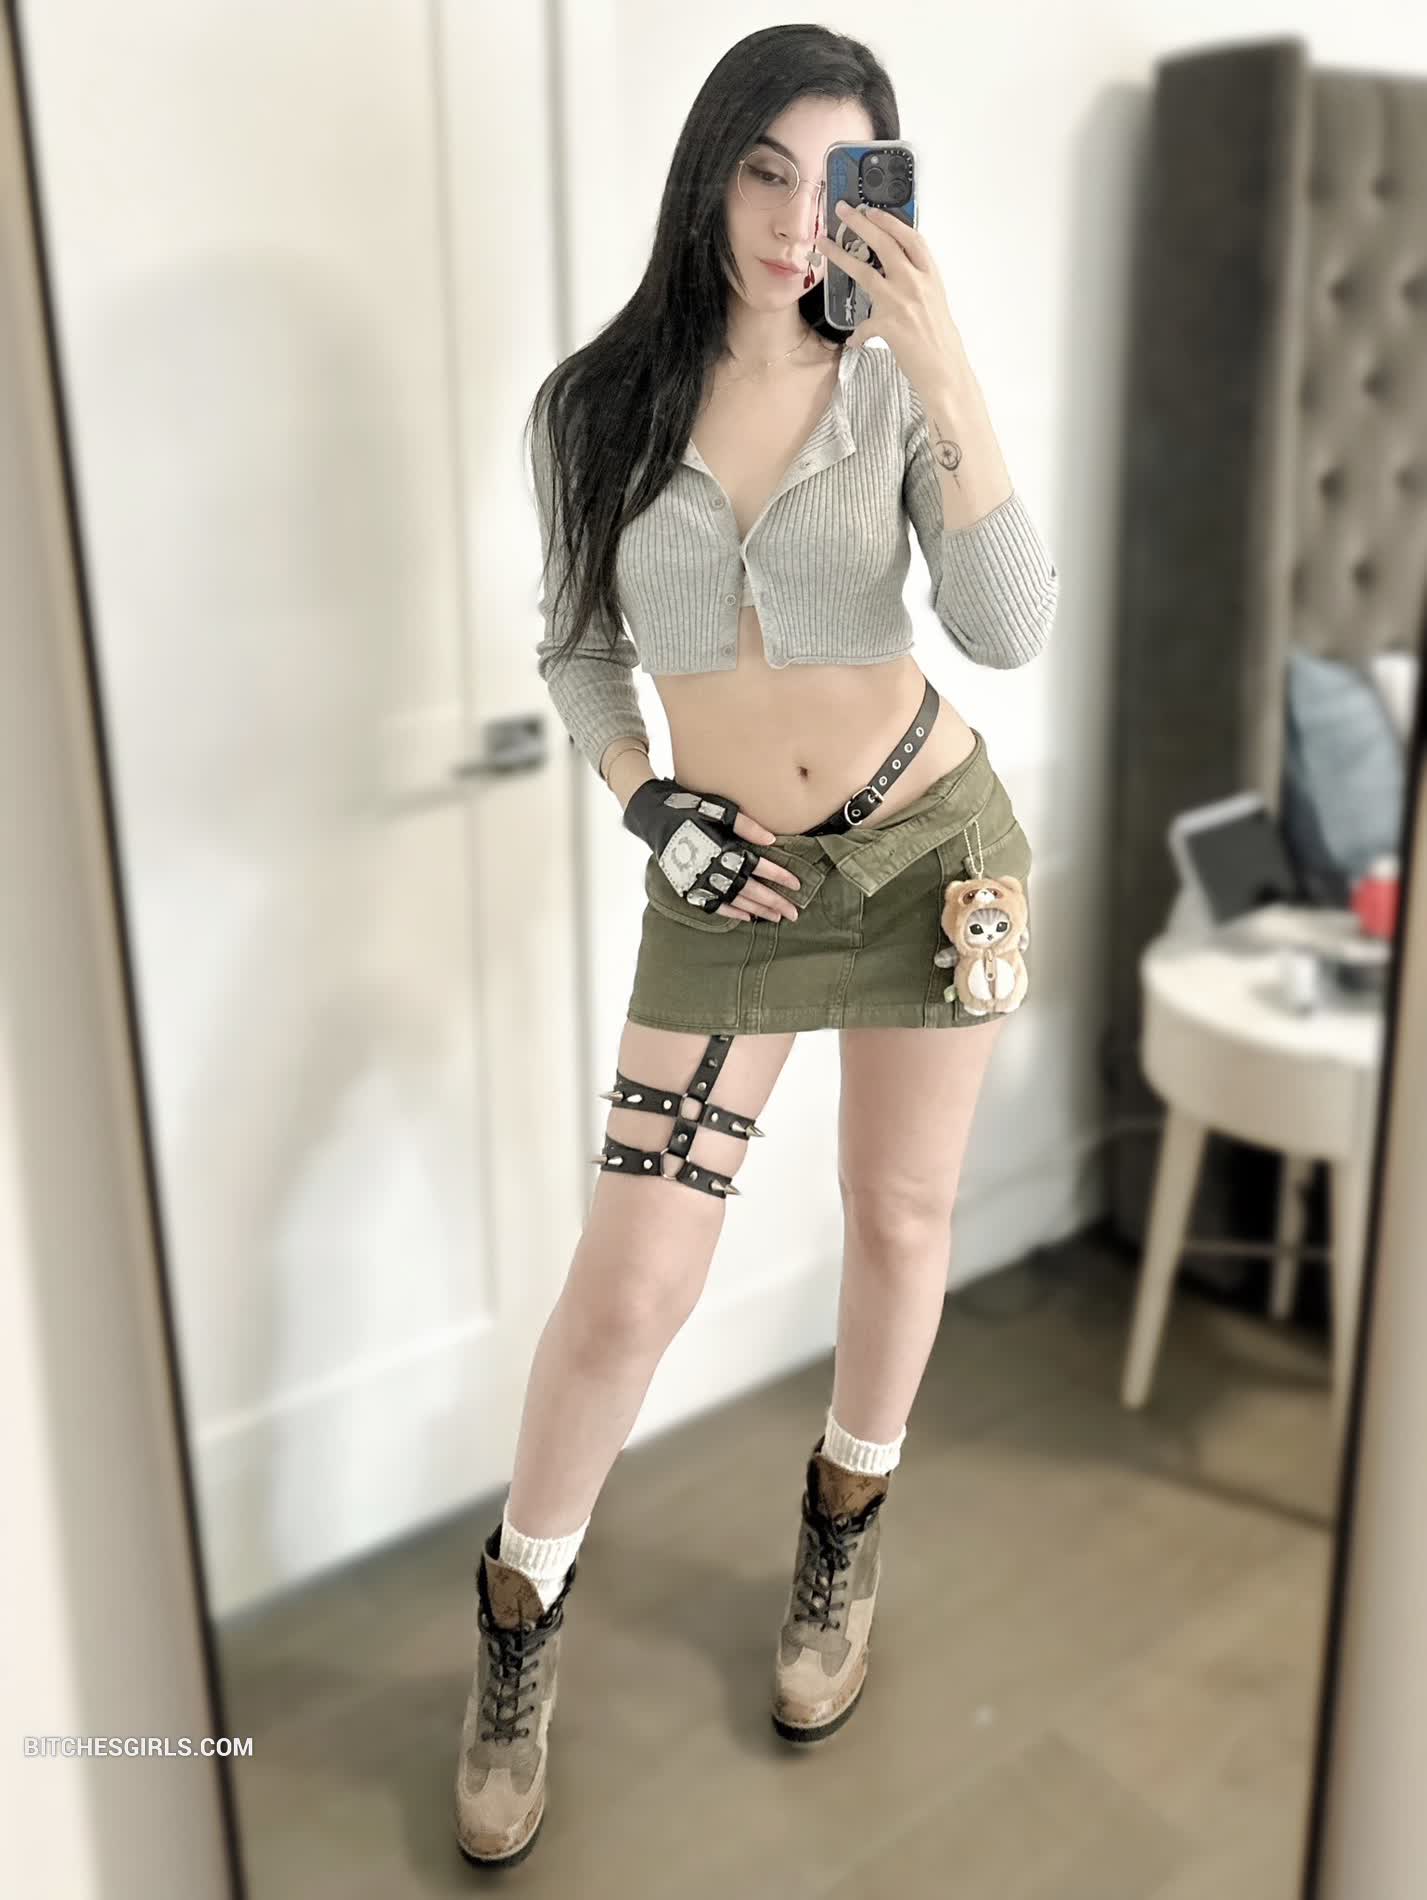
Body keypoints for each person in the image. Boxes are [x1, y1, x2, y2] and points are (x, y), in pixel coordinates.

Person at [454, 23, 1058, 1869]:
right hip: (732, 893)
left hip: (931, 851)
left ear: (885, 197)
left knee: (898, 1217)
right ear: (712, 175)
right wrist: (652, 804)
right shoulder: (596, 407)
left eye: (840, 181)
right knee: (632, 1284)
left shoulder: (893, 388)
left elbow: (1007, 627)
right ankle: (517, 1621)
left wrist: (943, 360)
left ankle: (840, 1542)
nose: (801, 222)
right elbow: (579, 649)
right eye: (768, 173)